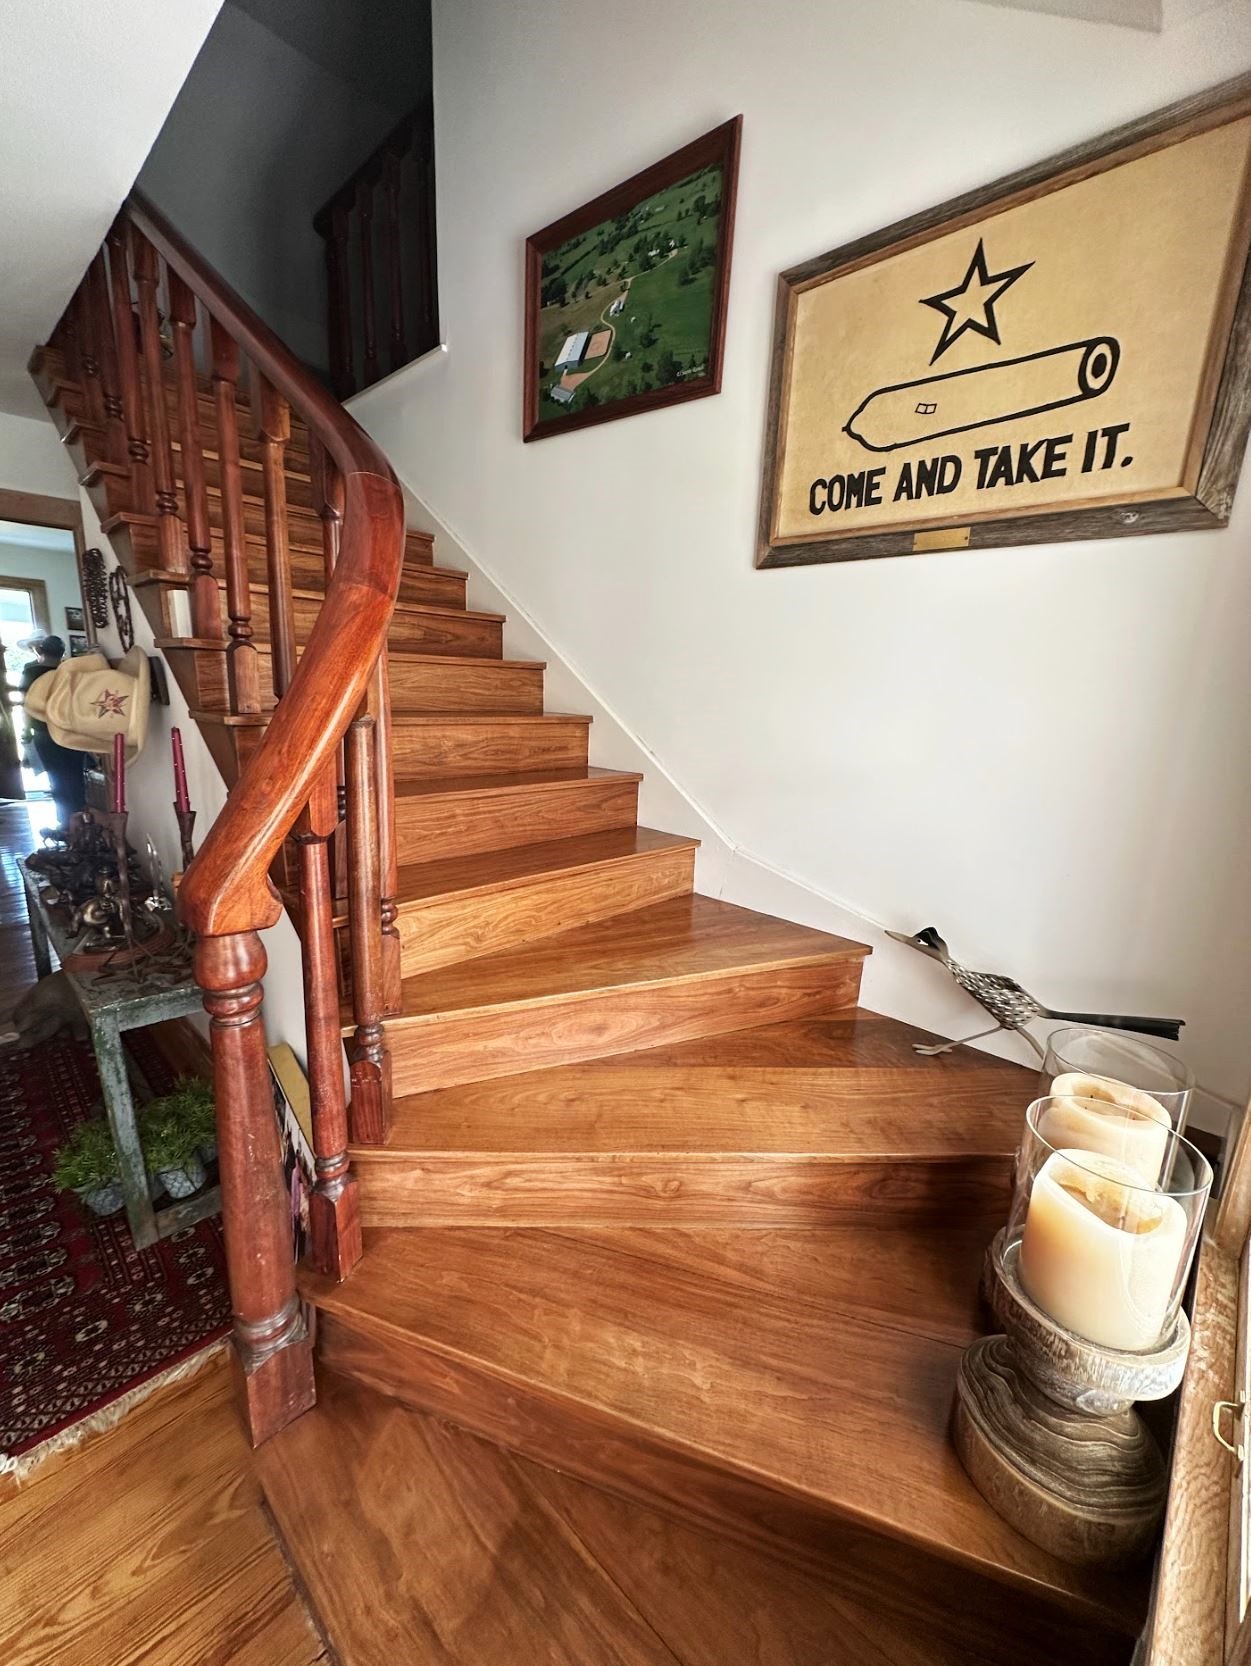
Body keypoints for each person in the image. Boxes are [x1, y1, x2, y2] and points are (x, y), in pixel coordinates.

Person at [20, 637, 85, 828]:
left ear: (41, 651)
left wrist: (26, 735)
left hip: (44, 733)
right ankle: (80, 821)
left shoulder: (30, 672)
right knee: (76, 777)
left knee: (57, 779)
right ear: (62, 653)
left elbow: (26, 707)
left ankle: (65, 823)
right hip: (71, 731)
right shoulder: (69, 672)